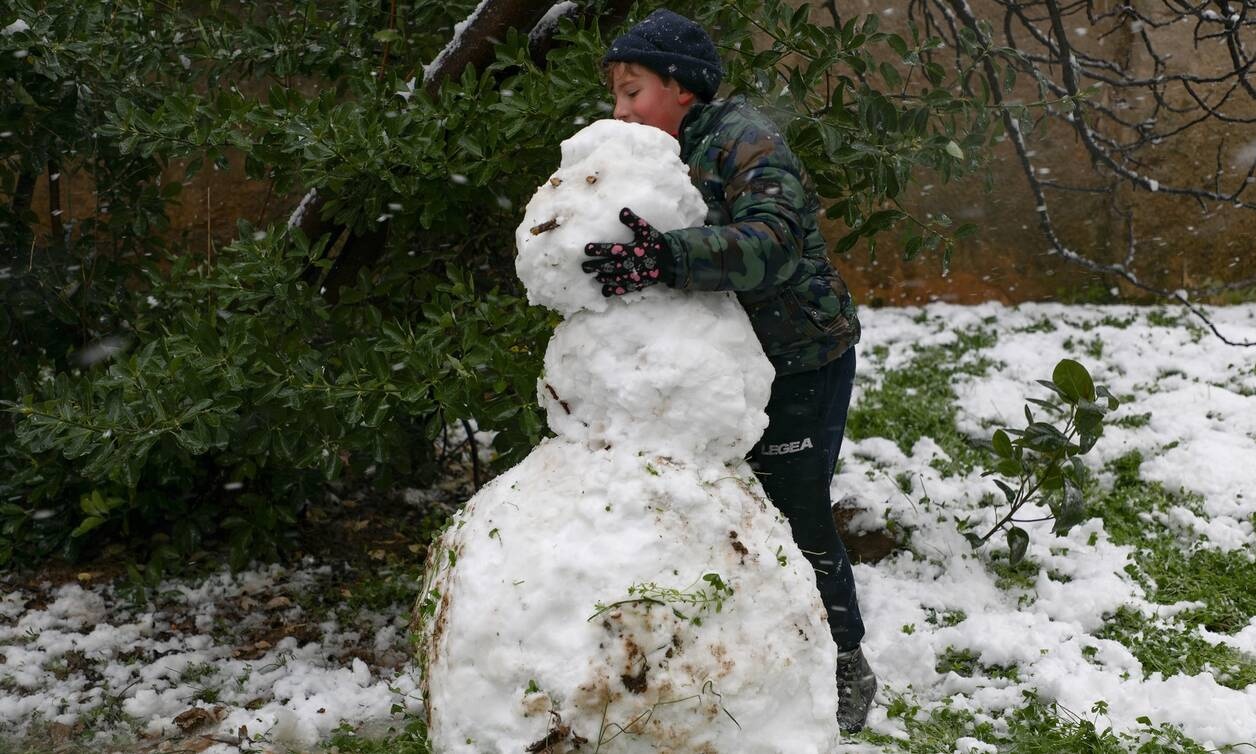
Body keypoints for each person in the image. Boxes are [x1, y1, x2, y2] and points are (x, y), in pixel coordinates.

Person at [579, 7, 878, 735]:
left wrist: (668, 256)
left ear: (682, 87)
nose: (620, 111)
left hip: (800, 358)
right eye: (615, 95)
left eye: (632, 91)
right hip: (720, 370)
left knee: (795, 514)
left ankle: (845, 661)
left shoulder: (744, 140)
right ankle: (743, 661)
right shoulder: (647, 154)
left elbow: (771, 242)